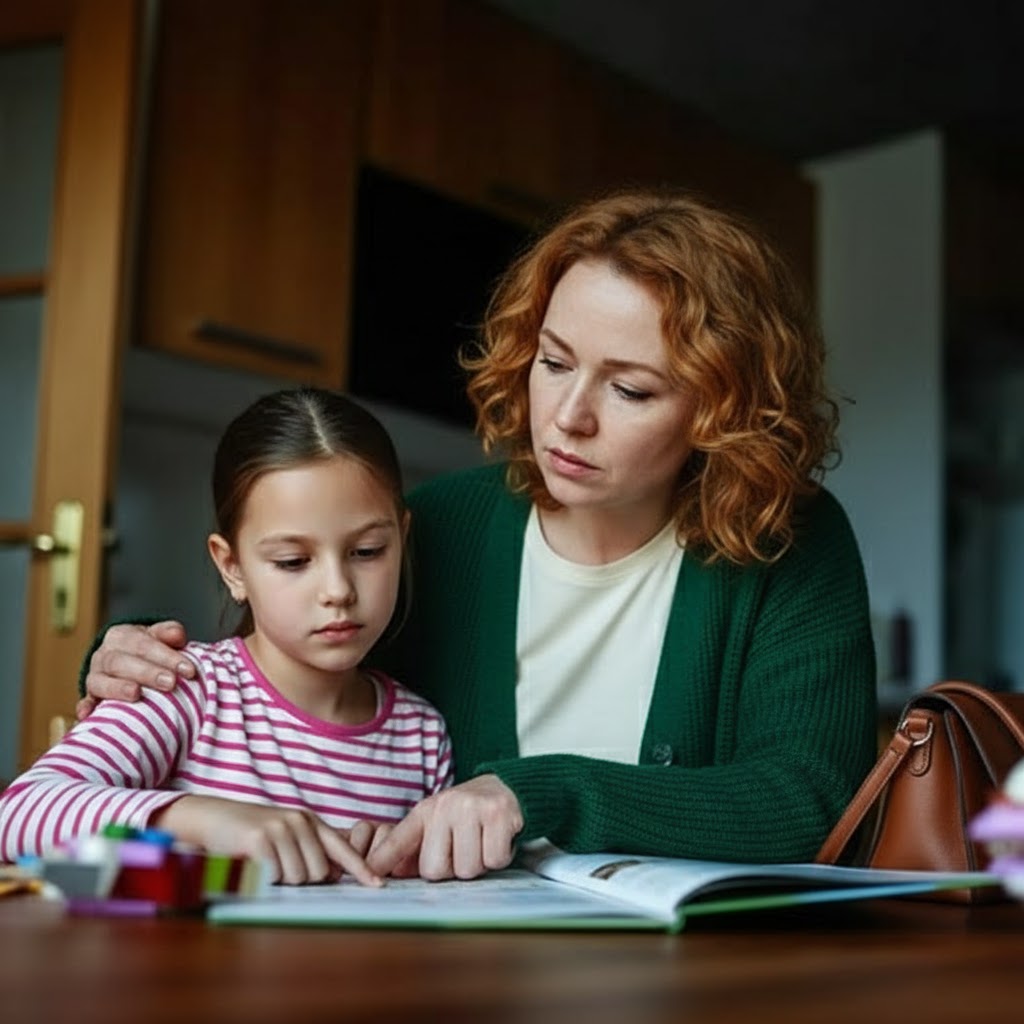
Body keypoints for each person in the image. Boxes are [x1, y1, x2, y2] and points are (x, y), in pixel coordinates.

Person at [77, 187, 877, 882]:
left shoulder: (789, 539)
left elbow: (811, 797)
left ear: (722, 409)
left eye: (630, 390)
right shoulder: (444, 526)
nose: (569, 418)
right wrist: (131, 656)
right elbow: (274, 655)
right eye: (554, 363)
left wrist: (538, 793)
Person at [0, 389, 453, 884]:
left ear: (401, 538)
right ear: (232, 567)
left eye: (367, 551)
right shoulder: (183, 688)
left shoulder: (422, 738)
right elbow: (18, 812)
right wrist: (202, 818)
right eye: (292, 562)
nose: (338, 590)